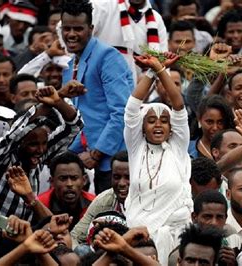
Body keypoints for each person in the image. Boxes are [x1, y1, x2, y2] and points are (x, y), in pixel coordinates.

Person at [123, 52, 192, 265]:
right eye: (151, 120)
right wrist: (153, 71)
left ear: (172, 129)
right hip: (140, 236)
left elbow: (179, 107)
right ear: (142, 128)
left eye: (164, 121)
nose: (158, 125)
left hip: (177, 235)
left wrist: (163, 72)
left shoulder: (177, 148)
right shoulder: (136, 148)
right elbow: (132, 108)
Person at [59, 0, 134, 194]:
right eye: (66, 28)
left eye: (78, 28)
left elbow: (122, 112)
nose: (71, 34)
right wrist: (70, 156)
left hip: (112, 163)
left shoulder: (108, 57)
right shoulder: (69, 66)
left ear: (91, 28)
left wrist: (97, 153)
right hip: (85, 158)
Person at [0, 86, 82, 221]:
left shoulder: (38, 157)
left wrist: (58, 101)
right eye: (33, 144)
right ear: (20, 142)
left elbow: (74, 127)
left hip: (21, 235)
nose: (40, 150)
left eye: (44, 143)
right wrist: (46, 104)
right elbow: (16, 132)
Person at [91, 0, 168, 80]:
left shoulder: (157, 20)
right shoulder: (101, 6)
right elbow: (81, 45)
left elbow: (162, 66)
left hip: (136, 90)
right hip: (96, 84)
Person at [70, 150, 129, 247]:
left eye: (128, 177)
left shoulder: (153, 201)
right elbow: (75, 237)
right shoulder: (103, 200)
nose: (121, 183)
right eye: (116, 177)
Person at [37, 151, 95, 229]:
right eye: (63, 178)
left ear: (84, 180)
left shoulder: (95, 204)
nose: (69, 184)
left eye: (74, 178)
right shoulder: (39, 204)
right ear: (52, 182)